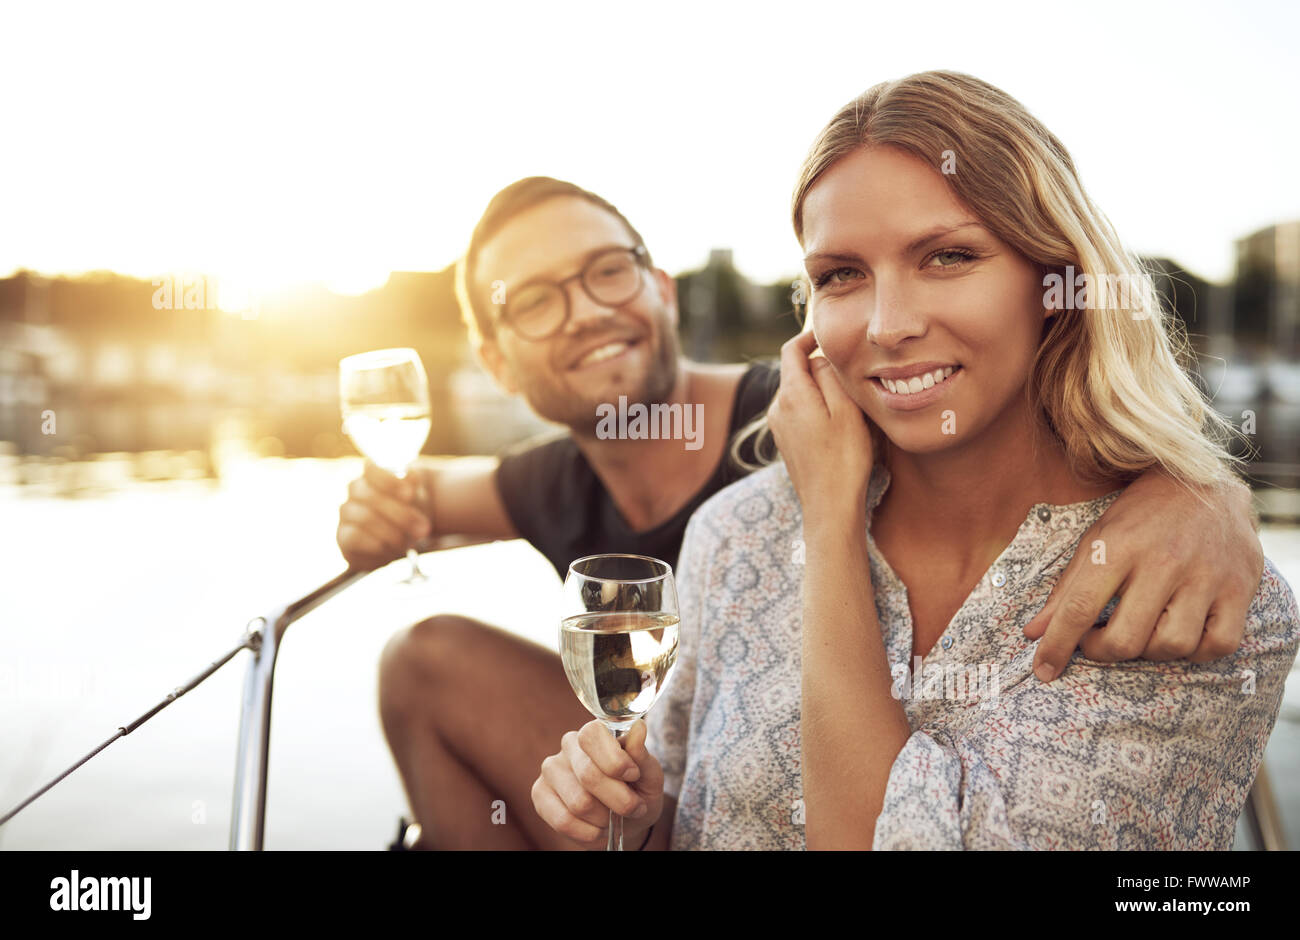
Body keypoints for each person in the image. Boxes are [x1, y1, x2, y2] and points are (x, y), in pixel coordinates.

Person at [345, 172, 1263, 851]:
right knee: (421, 661)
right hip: (700, 769)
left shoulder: (809, 414)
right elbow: (420, 495)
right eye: (537, 302)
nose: (585, 312)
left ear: (659, 289)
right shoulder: (550, 480)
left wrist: (1201, 493)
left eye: (606, 274)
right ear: (497, 364)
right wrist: (376, 516)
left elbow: (1007, 416)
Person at [530, 71, 1299, 851]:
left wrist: (831, 529)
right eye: (842, 275)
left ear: (1058, 281)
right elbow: (680, 817)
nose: (888, 325)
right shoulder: (737, 532)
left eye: (948, 257)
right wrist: (622, 816)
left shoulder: (1197, 596)